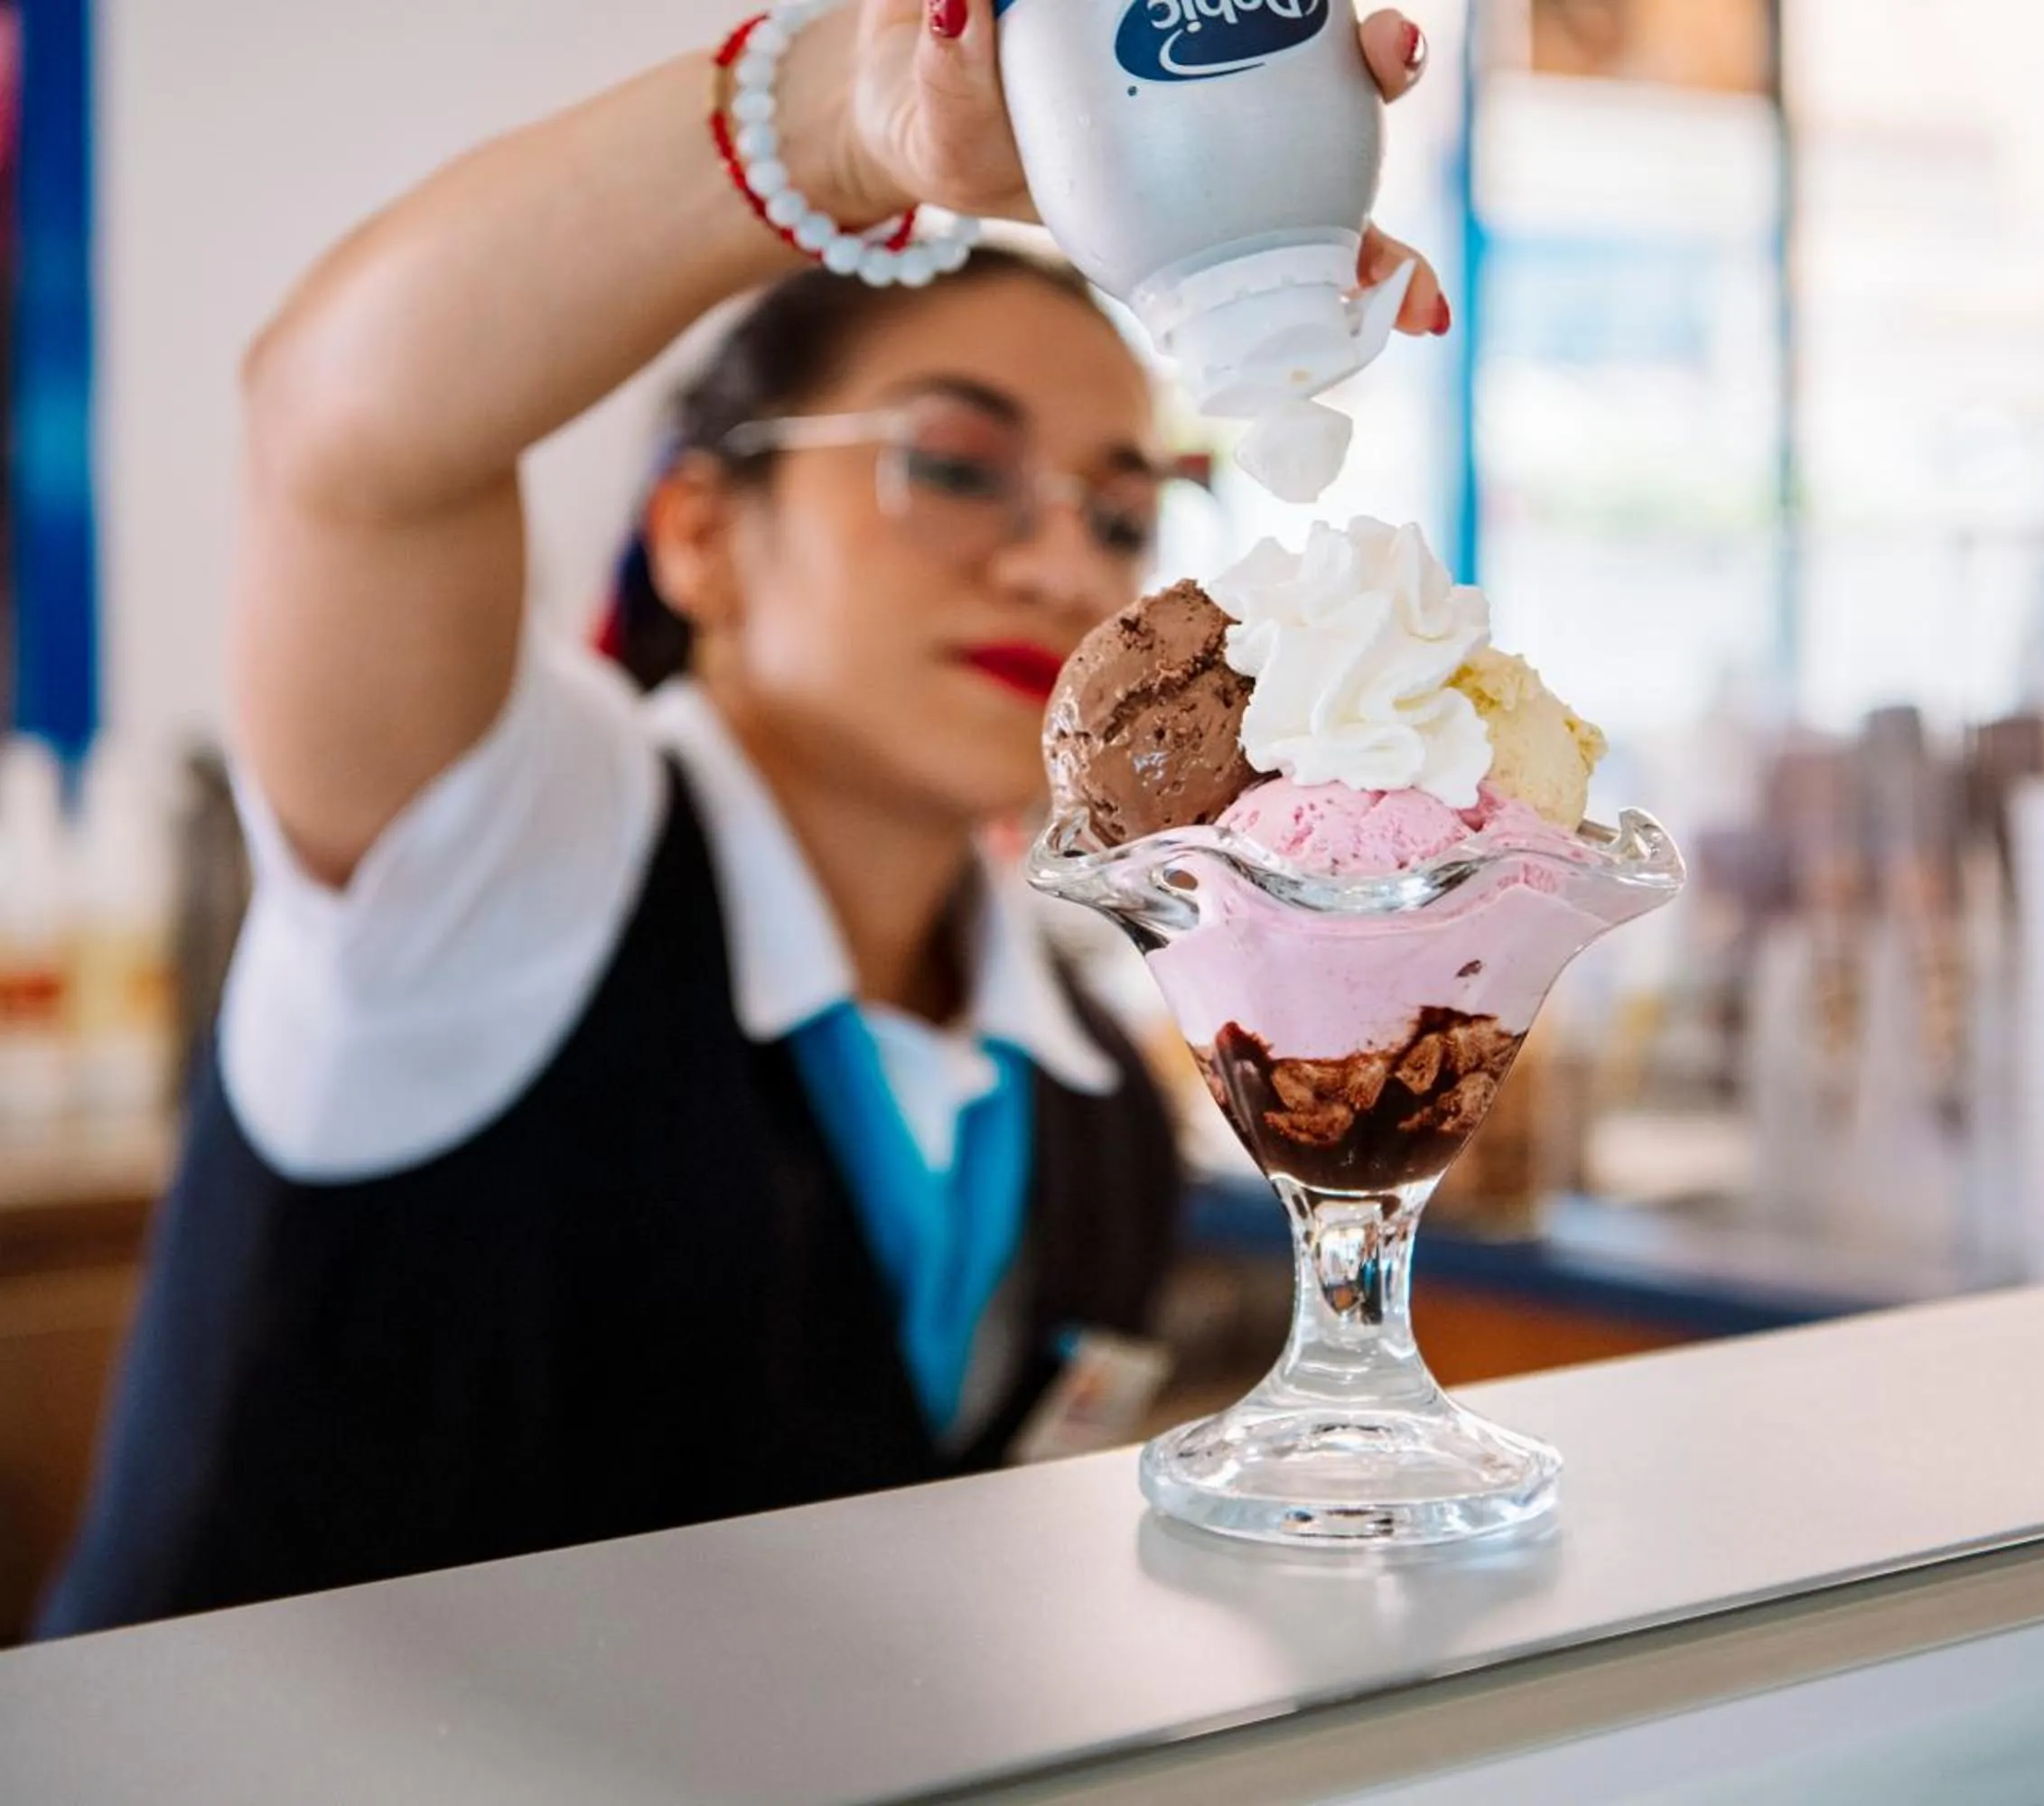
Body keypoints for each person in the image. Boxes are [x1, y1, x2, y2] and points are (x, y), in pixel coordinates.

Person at [39, 0, 1446, 1635]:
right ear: (700, 533)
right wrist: (848, 129)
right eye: (959, 464)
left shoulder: (1095, 1101)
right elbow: (343, 429)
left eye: (1122, 507)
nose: (1064, 565)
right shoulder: (519, 873)